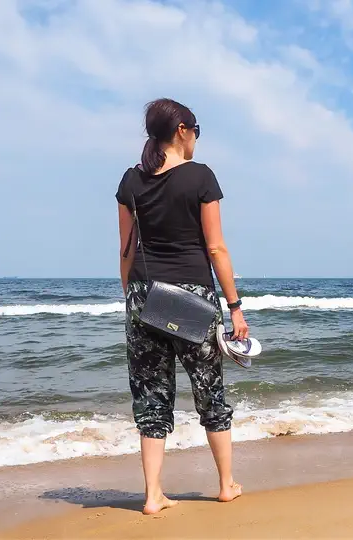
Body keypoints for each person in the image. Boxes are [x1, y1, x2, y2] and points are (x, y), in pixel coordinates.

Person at [116, 98, 249, 514]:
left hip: (143, 296)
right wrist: (236, 307)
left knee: (151, 396)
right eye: (196, 131)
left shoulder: (131, 181)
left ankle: (153, 494)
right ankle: (226, 484)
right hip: (192, 296)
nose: (196, 139)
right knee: (209, 390)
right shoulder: (201, 177)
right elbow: (216, 247)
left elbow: (126, 250)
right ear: (182, 131)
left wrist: (131, 298)